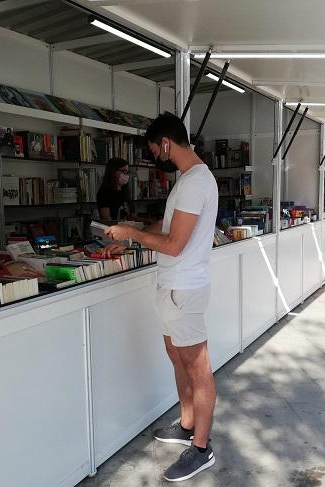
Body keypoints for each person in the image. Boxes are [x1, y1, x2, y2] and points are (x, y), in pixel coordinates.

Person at [104, 113, 219, 482]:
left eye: (156, 150)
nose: (157, 157)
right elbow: (168, 229)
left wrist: (132, 235)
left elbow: (173, 243)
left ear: (166, 142)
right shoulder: (190, 180)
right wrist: (130, 232)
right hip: (174, 286)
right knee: (178, 358)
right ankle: (187, 424)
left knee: (197, 368)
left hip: (183, 289)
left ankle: (201, 448)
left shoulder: (194, 183)